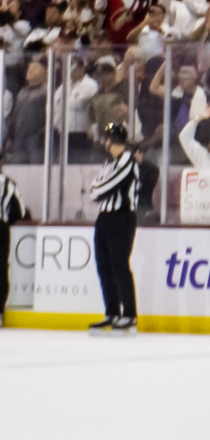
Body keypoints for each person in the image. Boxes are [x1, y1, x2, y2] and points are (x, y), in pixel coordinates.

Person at [86, 120, 145, 332]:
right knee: (104, 266)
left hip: (121, 218)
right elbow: (95, 188)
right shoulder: (110, 164)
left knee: (119, 266)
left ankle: (129, 314)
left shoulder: (128, 163)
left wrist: (98, 189)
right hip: (105, 218)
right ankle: (112, 312)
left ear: (109, 141)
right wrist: (98, 189)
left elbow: (100, 190)